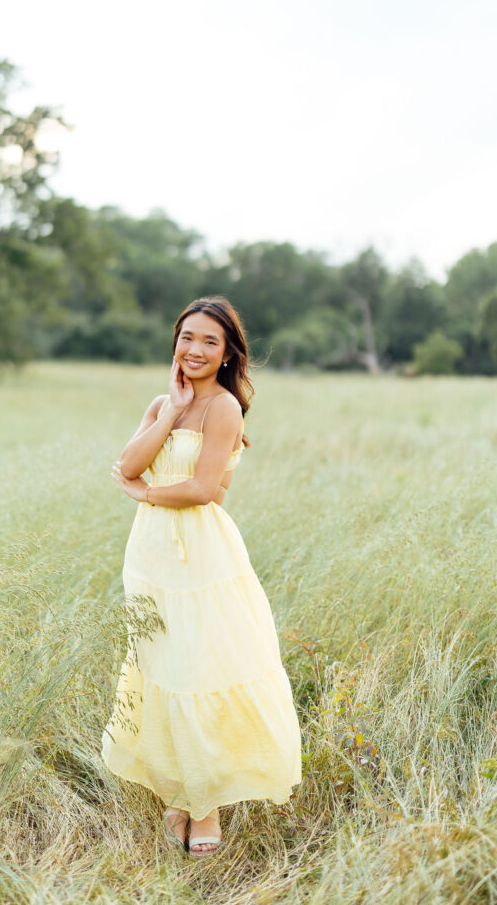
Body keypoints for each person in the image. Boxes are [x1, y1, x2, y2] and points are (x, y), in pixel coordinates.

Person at [102, 295, 302, 857]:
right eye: (187, 337)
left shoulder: (224, 410)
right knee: (163, 667)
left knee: (202, 669)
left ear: (227, 352)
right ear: (175, 342)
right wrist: (167, 414)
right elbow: (127, 463)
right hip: (150, 557)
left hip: (204, 557)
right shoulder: (164, 402)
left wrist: (144, 494)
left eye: (209, 341)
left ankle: (205, 802)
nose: (195, 349)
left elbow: (202, 489)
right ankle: (177, 792)